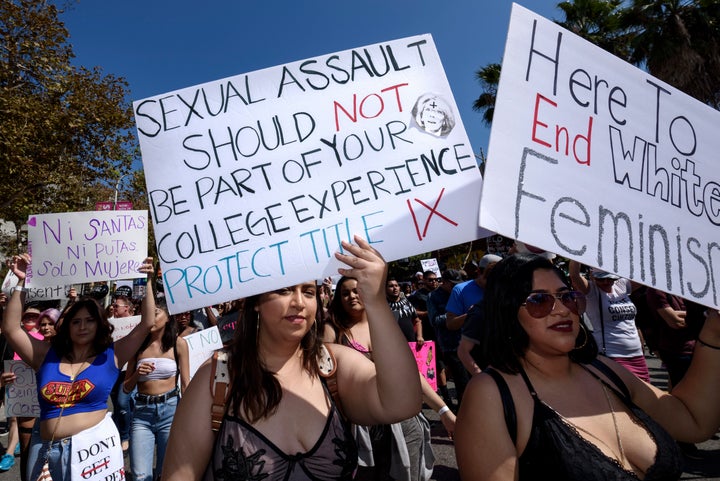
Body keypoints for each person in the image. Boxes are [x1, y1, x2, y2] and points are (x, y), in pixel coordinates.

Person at [162, 236, 422, 480]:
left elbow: (403, 403)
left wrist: (376, 302)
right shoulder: (216, 379)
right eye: (285, 290)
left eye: (308, 292)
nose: (299, 302)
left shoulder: (334, 366)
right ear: (255, 302)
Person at [455, 253, 720, 480]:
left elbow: (693, 421)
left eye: (566, 296)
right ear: (507, 312)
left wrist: (714, 331)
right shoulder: (491, 395)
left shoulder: (604, 370)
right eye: (539, 301)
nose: (561, 310)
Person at [2, 253, 157, 481]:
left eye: (89, 320)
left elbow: (146, 323)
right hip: (45, 450)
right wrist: (22, 282)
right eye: (76, 321)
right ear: (67, 326)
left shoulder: (112, 356)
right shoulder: (45, 356)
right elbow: (11, 329)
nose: (82, 326)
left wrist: (146, 281)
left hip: (93, 454)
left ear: (100, 324)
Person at [325, 275, 454, 481]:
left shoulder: (386, 327)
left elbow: (410, 375)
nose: (351, 296)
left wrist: (444, 410)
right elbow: (327, 381)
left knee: (408, 473)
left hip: (403, 421)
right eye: (345, 293)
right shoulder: (332, 331)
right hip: (361, 427)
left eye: (356, 291)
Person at [124, 300, 189, 481]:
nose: (151, 318)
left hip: (170, 411)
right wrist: (137, 374)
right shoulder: (137, 346)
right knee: (140, 475)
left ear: (168, 318)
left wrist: (188, 416)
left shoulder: (179, 344)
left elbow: (185, 383)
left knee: (165, 472)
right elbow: (126, 387)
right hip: (142, 414)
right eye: (147, 314)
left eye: (156, 313)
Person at [568, 261, 650, 382]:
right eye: (601, 279)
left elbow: (646, 276)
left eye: (610, 278)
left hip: (637, 355)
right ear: (592, 276)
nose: (606, 282)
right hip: (612, 356)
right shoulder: (591, 291)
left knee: (644, 397)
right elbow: (574, 275)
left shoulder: (621, 285)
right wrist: (577, 256)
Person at [427, 269, 470, 406]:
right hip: (451, 346)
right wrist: (454, 316)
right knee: (462, 383)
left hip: (468, 341)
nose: (455, 287)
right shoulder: (433, 297)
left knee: (475, 380)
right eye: (452, 284)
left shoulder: (460, 293)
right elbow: (434, 321)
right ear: (444, 283)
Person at [445, 254, 501, 333]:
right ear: (478, 271)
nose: (494, 283)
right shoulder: (460, 290)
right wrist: (471, 314)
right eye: (489, 278)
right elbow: (450, 324)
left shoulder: (504, 287)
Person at [386, 277, 424, 346]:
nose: (395, 288)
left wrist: (419, 336)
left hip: (411, 344)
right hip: (393, 346)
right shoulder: (383, 306)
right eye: (391, 286)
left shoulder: (406, 302)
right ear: (385, 289)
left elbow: (417, 321)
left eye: (396, 285)